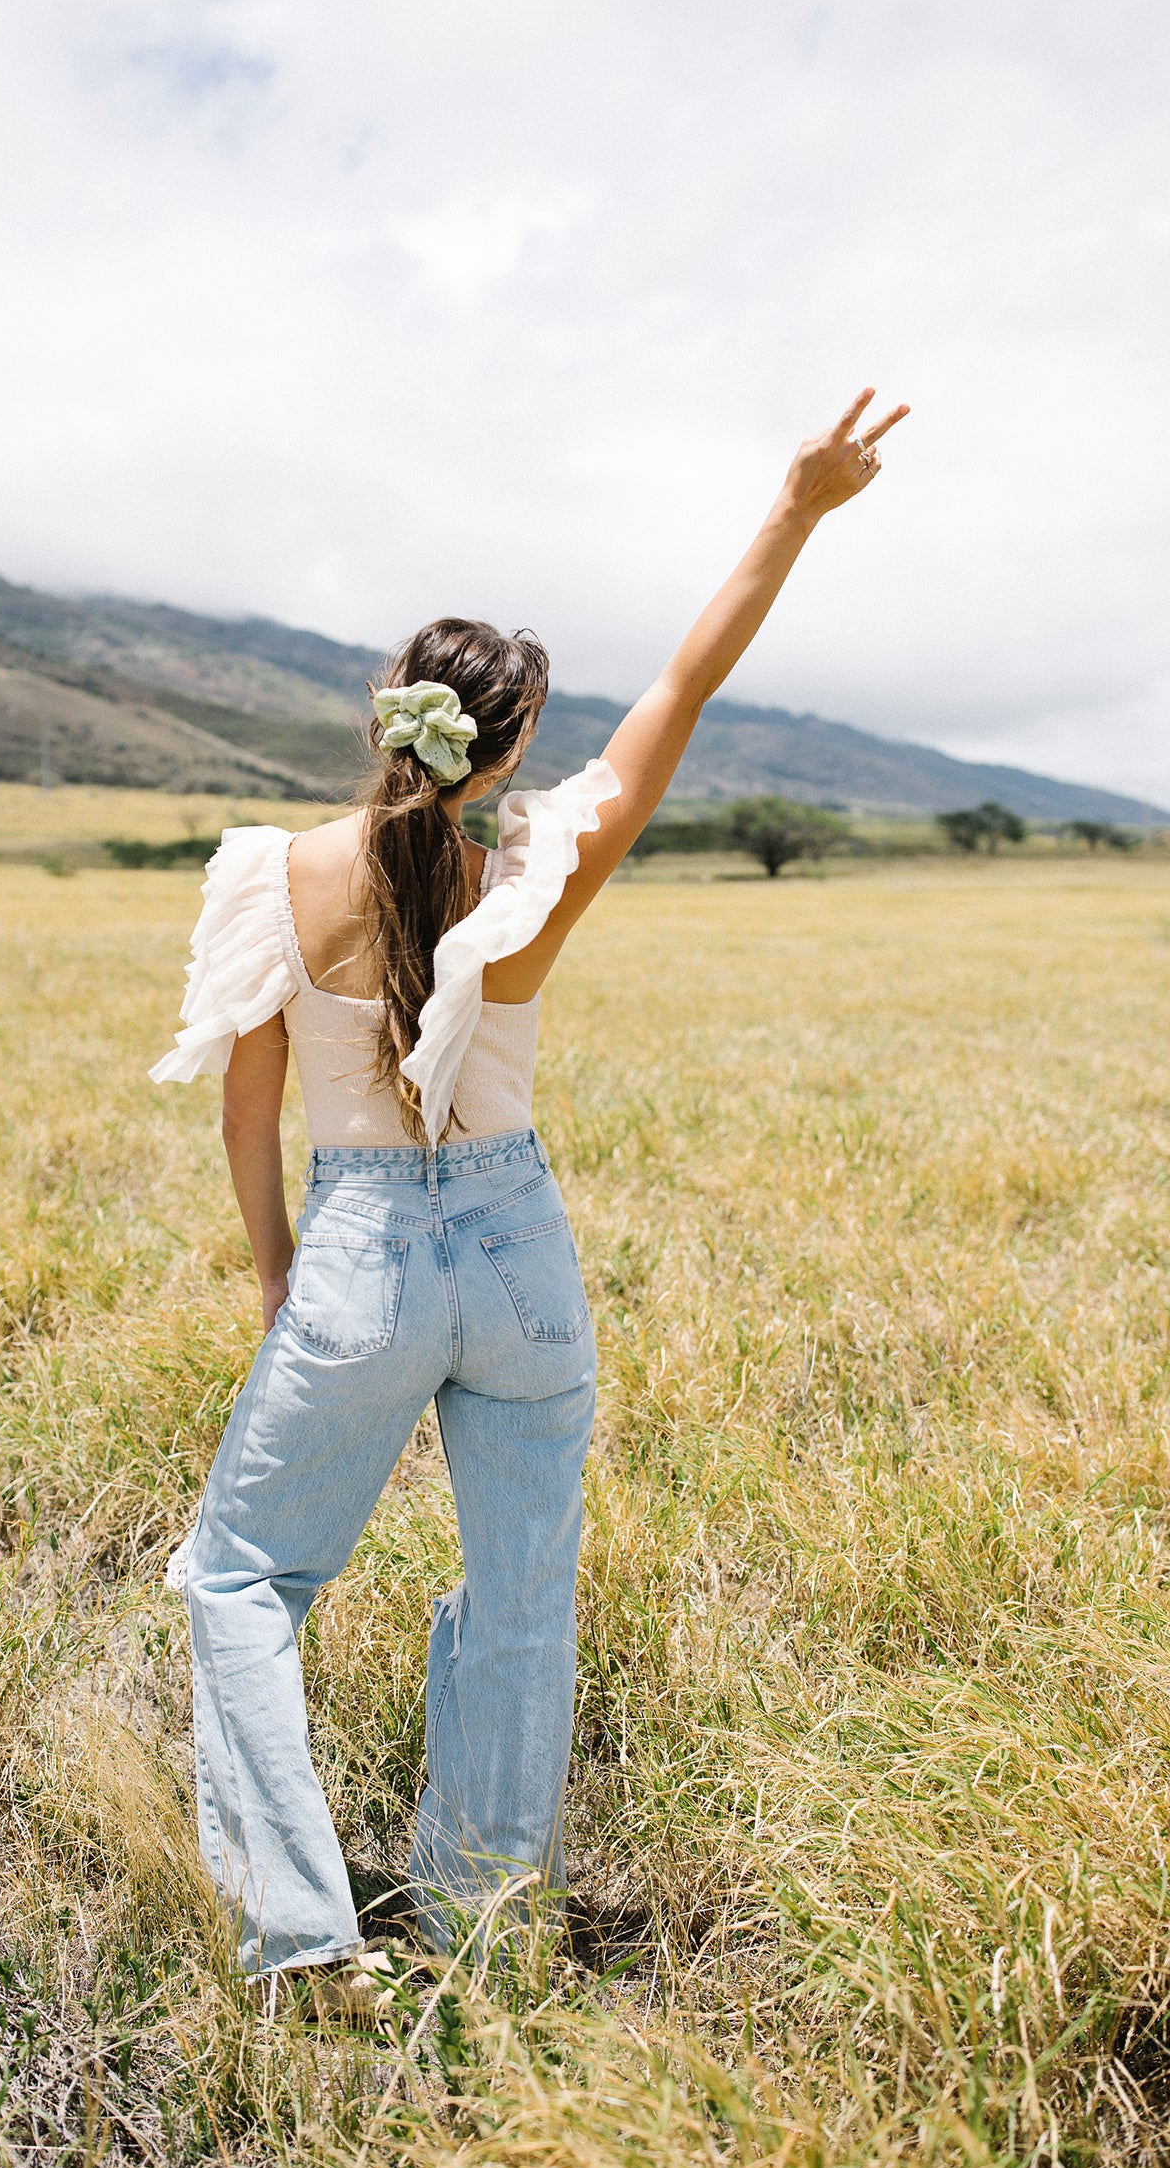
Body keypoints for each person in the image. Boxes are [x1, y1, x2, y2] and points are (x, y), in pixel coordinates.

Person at [151, 387, 908, 1986]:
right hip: (519, 1258)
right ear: (508, 754)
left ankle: (300, 1937)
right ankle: (485, 1933)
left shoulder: (273, 875)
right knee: (519, 1605)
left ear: (386, 716)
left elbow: (244, 1111)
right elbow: (689, 686)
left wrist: (284, 1270)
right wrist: (796, 506)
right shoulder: (531, 879)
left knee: (239, 1577)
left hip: (357, 1245)